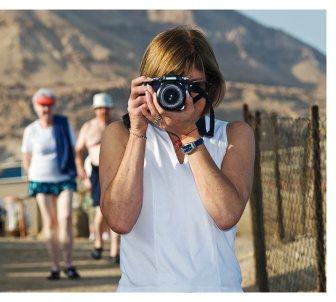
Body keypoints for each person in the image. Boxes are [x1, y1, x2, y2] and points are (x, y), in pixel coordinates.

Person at [99, 26, 255, 292]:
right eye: (172, 84)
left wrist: (189, 135)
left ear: (210, 85)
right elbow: (120, 220)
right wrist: (138, 132)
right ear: (148, 86)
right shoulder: (121, 135)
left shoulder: (234, 135)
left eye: (193, 86)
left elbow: (227, 214)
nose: (182, 97)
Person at [21, 88, 80, 280]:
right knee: (50, 222)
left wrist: (77, 172)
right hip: (41, 180)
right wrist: (31, 176)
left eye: (48, 105)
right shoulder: (31, 131)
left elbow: (73, 149)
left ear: (53, 106)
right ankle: (55, 266)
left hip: (64, 178)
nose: (46, 109)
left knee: (65, 218)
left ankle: (68, 264)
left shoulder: (63, 125)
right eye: (42, 105)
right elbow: (26, 157)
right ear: (36, 107)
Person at [75, 93, 120, 264]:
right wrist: (82, 172)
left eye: (106, 108)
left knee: (116, 208)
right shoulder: (88, 128)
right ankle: (99, 242)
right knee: (100, 210)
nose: (103, 111)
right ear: (95, 109)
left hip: (115, 168)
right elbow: (78, 151)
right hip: (96, 170)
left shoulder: (117, 125)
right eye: (100, 108)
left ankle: (115, 250)